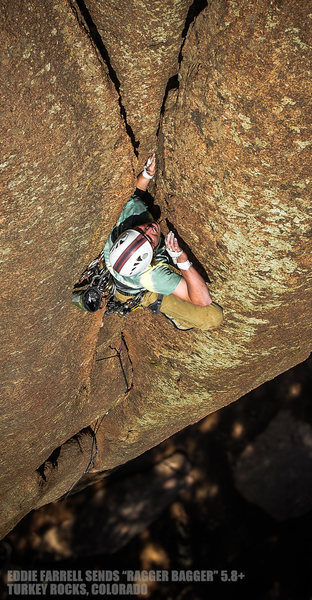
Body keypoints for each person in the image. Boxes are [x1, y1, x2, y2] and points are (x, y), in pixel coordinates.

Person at [102, 154, 223, 331]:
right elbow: (203, 300)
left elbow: (135, 195)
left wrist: (147, 175)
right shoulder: (153, 276)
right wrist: (182, 261)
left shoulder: (127, 221)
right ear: (150, 255)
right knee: (212, 317)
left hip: (122, 272)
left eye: (140, 230)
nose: (150, 228)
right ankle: (168, 311)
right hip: (141, 292)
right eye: (150, 238)